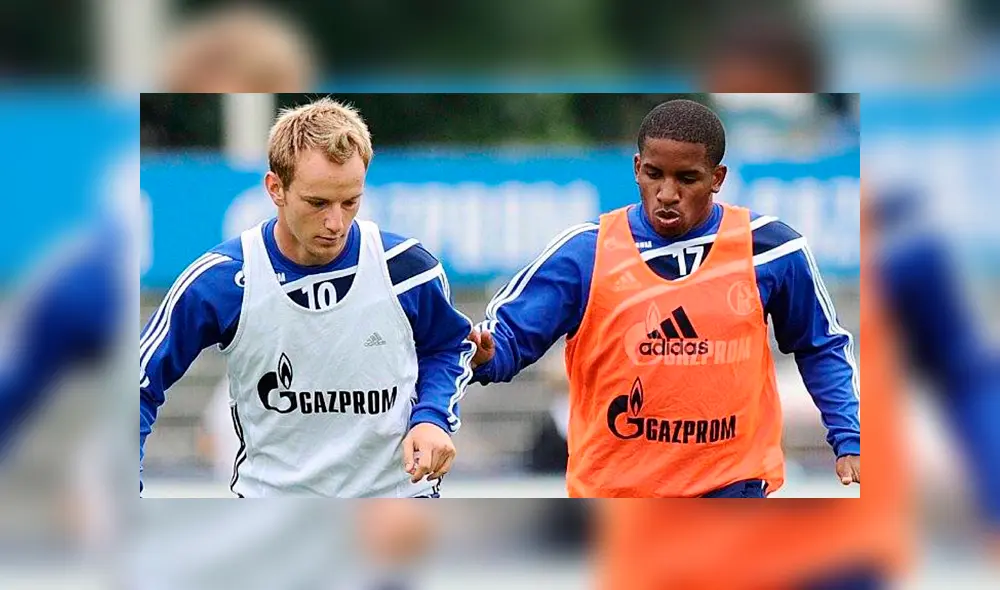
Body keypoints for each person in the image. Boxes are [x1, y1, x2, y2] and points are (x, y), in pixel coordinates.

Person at [469, 98, 860, 498]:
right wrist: (485, 356)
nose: (667, 193)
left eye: (687, 178)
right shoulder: (585, 253)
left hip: (731, 490)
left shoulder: (772, 249)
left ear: (717, 177)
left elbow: (821, 344)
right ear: (637, 168)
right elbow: (507, 340)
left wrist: (850, 434)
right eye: (654, 175)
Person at [139, 97, 474, 498]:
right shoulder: (222, 280)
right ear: (275, 188)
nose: (336, 223)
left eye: (350, 202)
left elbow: (450, 346)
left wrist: (432, 418)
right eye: (317, 203)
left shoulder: (407, 269)